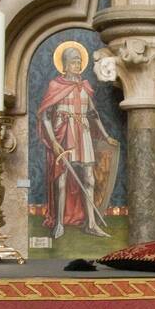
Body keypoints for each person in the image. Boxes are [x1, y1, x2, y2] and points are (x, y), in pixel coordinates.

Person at [37, 43, 119, 239]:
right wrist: (54, 142)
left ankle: (90, 223)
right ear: (64, 65)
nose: (77, 65)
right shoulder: (55, 86)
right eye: (73, 62)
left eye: (79, 62)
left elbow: (93, 113)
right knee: (62, 180)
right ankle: (59, 224)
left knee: (89, 178)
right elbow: (45, 116)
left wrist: (106, 135)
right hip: (64, 134)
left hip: (83, 135)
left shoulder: (85, 87)